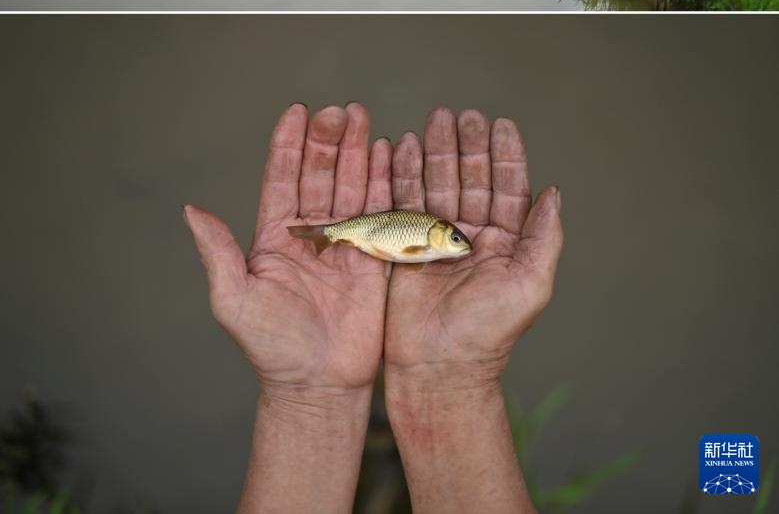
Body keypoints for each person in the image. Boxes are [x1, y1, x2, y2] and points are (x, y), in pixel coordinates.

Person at [184, 102, 563, 514]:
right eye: (454, 241)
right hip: (367, 235)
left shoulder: (425, 236)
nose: (459, 246)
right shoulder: (419, 238)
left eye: (456, 242)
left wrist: (311, 396)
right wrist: (453, 387)